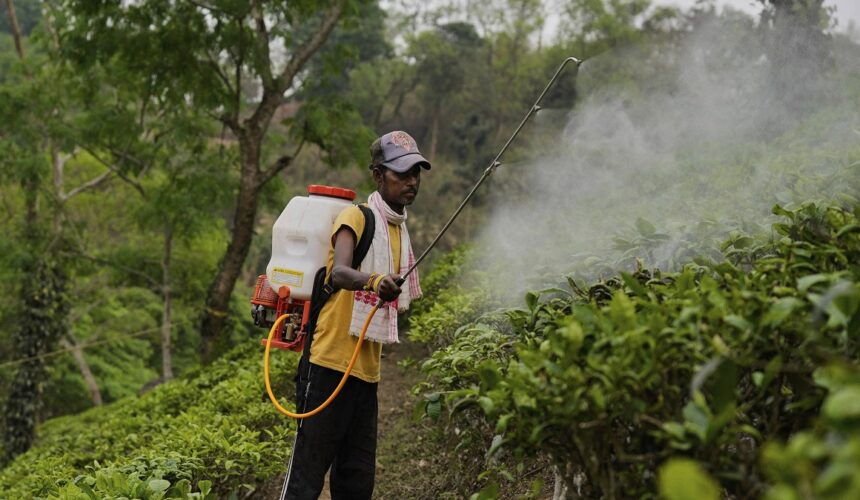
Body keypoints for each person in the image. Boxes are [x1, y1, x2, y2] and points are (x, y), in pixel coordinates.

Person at [282, 131, 430, 500]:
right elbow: (340, 273)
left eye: (416, 173)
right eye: (402, 173)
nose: (411, 182)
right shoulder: (357, 217)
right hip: (329, 365)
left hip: (366, 374)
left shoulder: (398, 230)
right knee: (306, 479)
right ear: (378, 175)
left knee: (356, 481)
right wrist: (376, 280)